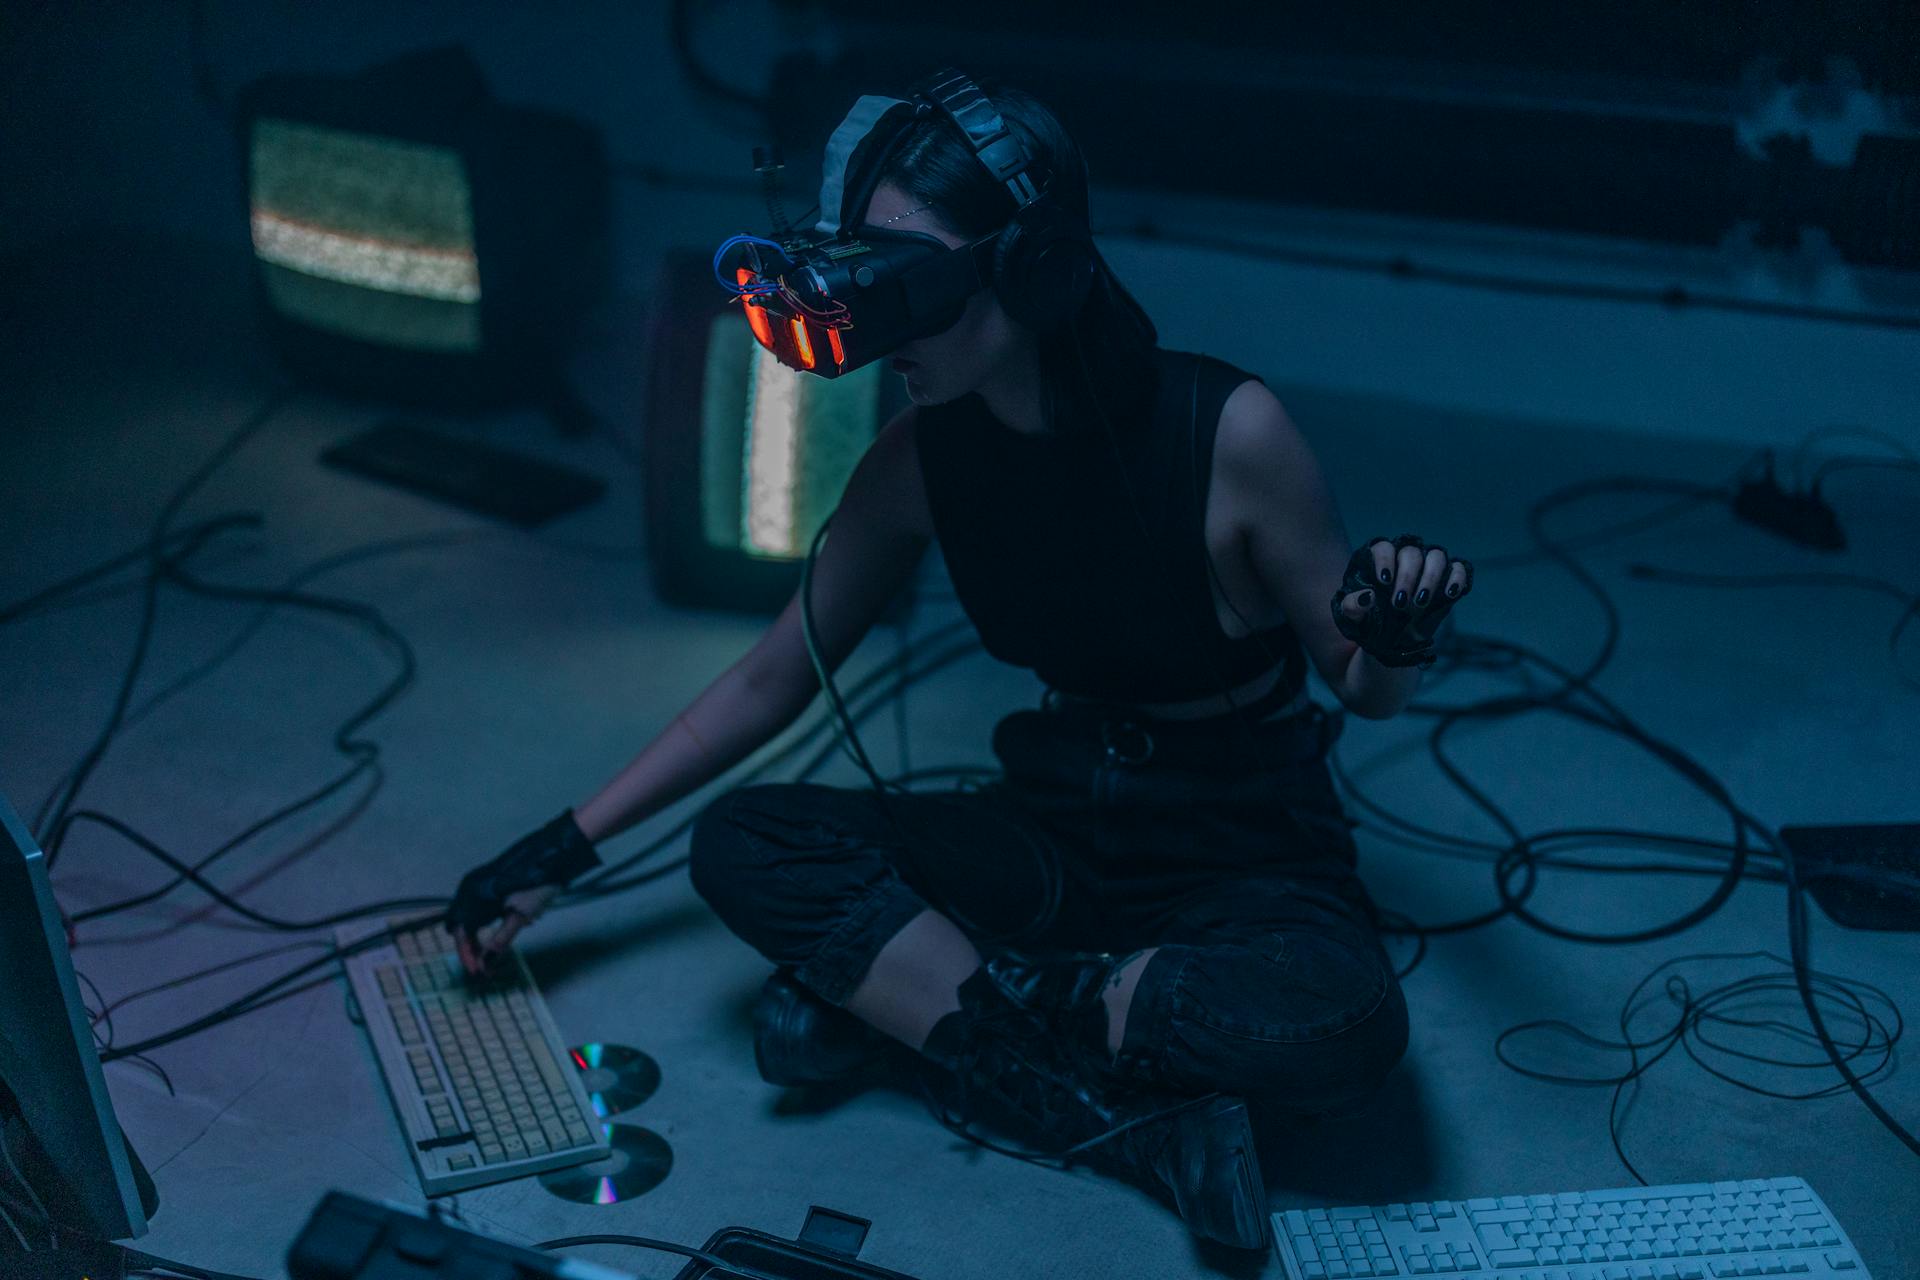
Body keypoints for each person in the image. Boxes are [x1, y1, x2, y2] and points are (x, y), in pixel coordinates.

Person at [446, 75, 1474, 1253]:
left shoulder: (1229, 434)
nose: (876, 329)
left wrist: (1396, 635)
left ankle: (942, 1009)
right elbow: (769, 680)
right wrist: (558, 850)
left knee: (1338, 1034)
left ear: (1037, 271)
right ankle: (1131, 1119)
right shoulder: (919, 459)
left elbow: (1361, 682)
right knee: (744, 842)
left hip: (1241, 849)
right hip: (1051, 831)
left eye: (905, 284)